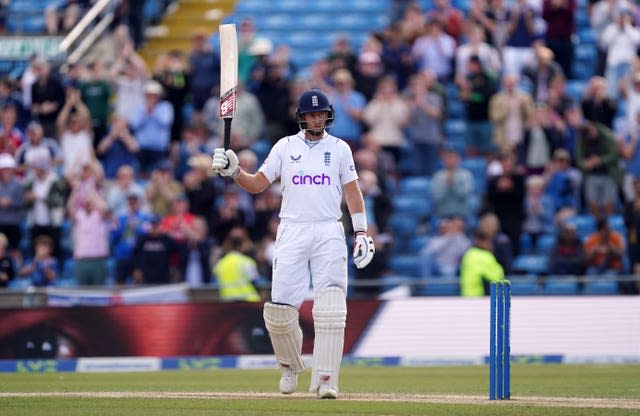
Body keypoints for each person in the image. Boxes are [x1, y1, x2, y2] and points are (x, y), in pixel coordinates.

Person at [211, 88, 375, 399]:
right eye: (311, 114)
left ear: (328, 115)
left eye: (321, 113)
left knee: (330, 307)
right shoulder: (285, 147)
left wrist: (362, 232)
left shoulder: (340, 149)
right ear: (301, 117)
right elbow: (258, 184)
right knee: (279, 311)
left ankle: (326, 379)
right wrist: (234, 172)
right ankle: (289, 366)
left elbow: (353, 192)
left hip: (328, 230)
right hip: (292, 230)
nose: (317, 119)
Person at [213, 226, 262, 302]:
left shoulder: (220, 264)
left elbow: (215, 283)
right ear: (241, 245)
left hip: (228, 302)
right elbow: (256, 282)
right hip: (249, 302)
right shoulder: (247, 262)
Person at [459, 229, 506, 296]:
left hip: (466, 295)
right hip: (480, 297)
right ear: (480, 242)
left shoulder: (468, 254)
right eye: (489, 242)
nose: (490, 245)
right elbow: (498, 276)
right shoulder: (485, 256)